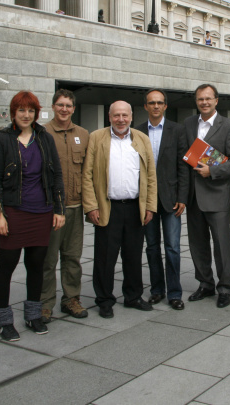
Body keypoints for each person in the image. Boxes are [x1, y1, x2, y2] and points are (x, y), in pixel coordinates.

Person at [0, 91, 66, 341]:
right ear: (14, 112)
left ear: (36, 113)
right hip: (14, 212)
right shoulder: (1, 140)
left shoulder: (44, 138)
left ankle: (32, 315)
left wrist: (58, 209)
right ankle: (3, 319)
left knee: (36, 266)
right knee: (6, 266)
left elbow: (56, 176)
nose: (26, 115)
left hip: (41, 211)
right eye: (21, 110)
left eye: (30, 110)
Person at [82, 101, 157, 319]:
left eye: (125, 115)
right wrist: (91, 206)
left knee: (133, 256)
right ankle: (104, 299)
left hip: (135, 207)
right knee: (105, 257)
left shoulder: (142, 139)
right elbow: (87, 175)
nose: (121, 119)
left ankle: (133, 297)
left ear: (131, 116)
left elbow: (150, 175)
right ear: (109, 117)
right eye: (116, 115)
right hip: (107, 207)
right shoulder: (97, 138)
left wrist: (150, 206)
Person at [185, 84, 230, 308]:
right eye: (200, 99)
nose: (204, 103)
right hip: (193, 197)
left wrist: (213, 171)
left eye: (208, 99)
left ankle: (225, 287)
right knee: (197, 244)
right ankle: (205, 284)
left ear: (216, 101)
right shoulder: (189, 124)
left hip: (217, 195)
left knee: (221, 245)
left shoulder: (228, 126)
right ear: (196, 101)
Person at [136, 89, 189, 310]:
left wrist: (182, 197)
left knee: (173, 248)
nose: (156, 106)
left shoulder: (177, 130)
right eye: (151, 103)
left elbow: (183, 166)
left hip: (170, 200)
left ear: (165, 106)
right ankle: (157, 290)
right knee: (151, 247)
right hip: (146, 200)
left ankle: (175, 293)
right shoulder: (136, 131)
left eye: (159, 103)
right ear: (146, 106)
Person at [41, 89, 90, 323]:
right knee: (48, 260)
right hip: (51, 210)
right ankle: (44, 302)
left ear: (73, 108)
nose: (64, 109)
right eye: (60, 105)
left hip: (75, 207)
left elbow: (88, 172)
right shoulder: (42, 134)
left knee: (72, 257)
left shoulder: (83, 134)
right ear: (53, 107)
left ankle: (71, 298)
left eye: (68, 106)